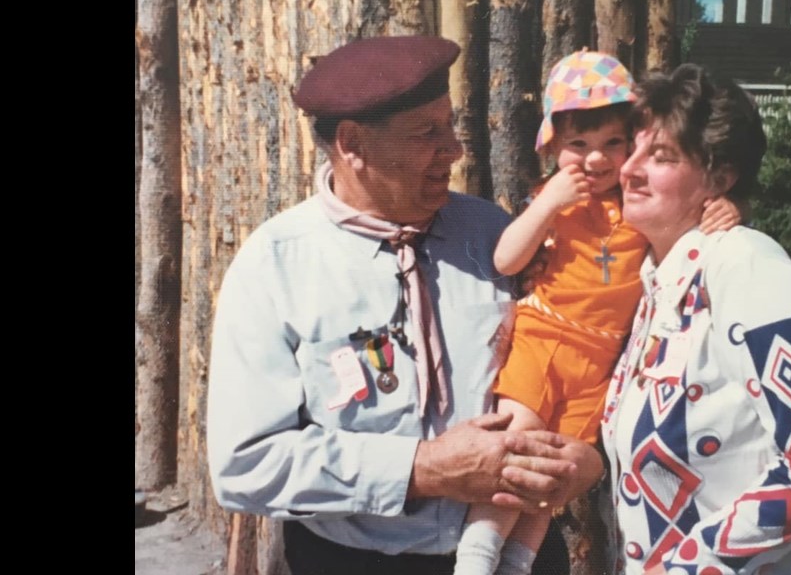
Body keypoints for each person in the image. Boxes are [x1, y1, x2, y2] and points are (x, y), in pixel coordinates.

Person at [206, 35, 604, 575]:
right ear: (352, 144)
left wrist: (589, 462)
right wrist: (422, 469)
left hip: (514, 554)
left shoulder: (497, 238)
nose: (455, 149)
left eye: (451, 125)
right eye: (427, 133)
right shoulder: (275, 266)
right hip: (351, 561)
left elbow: (591, 345)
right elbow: (244, 465)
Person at [453, 51, 740, 575]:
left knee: (555, 470)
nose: (597, 160)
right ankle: (473, 559)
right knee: (518, 450)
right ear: (553, 147)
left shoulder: (637, 203)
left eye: (614, 142)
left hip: (603, 359)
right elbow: (505, 259)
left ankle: (516, 563)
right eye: (578, 146)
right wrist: (546, 204)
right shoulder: (554, 199)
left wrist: (723, 209)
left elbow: (687, 226)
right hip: (545, 339)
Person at [602, 64, 791, 574]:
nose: (629, 169)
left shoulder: (746, 269)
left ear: (719, 178)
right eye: (632, 148)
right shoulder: (660, 283)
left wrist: (689, 568)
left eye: (660, 156)